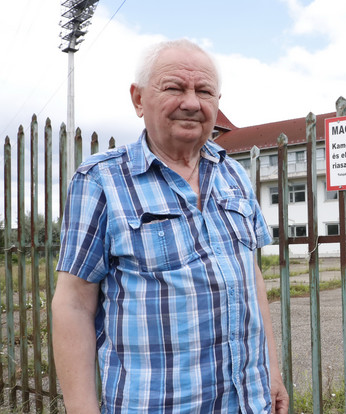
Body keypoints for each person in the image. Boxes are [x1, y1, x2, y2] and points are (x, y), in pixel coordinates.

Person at [52, 39, 289, 413]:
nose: (192, 102)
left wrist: (272, 371)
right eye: (175, 88)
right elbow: (74, 303)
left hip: (249, 403)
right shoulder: (101, 180)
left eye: (204, 91)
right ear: (138, 99)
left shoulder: (234, 174)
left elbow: (251, 278)